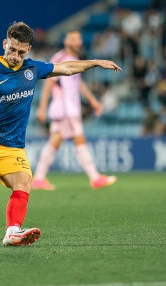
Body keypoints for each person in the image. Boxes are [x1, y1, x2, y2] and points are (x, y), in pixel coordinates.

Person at [0, 22, 121, 246]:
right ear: (5, 44)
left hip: (12, 147)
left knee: (24, 182)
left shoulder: (32, 69)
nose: (16, 56)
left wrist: (95, 62)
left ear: (28, 50)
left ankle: (12, 232)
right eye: (12, 50)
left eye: (21, 52)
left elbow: (66, 68)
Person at [32, 29, 117, 191]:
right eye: (73, 39)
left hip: (69, 108)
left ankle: (38, 179)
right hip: (66, 109)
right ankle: (95, 177)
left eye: (78, 39)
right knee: (79, 140)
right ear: (66, 41)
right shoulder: (60, 58)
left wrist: (93, 101)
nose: (77, 42)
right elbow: (48, 83)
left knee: (54, 142)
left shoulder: (74, 59)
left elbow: (78, 84)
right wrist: (42, 108)